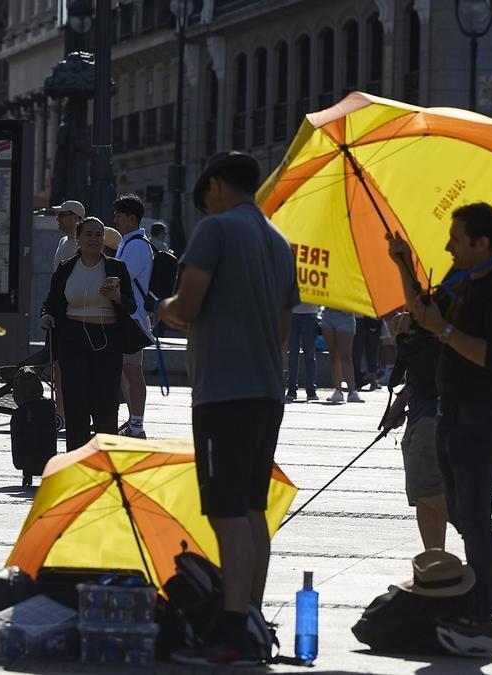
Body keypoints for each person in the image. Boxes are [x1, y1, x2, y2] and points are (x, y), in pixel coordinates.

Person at [159, 152, 298, 666]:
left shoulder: (215, 230)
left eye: (206, 196)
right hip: (266, 390)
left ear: (216, 185)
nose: (206, 205)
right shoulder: (279, 242)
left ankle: (234, 630)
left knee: (225, 511)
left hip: (223, 390)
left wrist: (164, 308)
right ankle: (253, 616)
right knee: (252, 508)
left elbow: (188, 306)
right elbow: (282, 329)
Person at [387, 202, 492, 657]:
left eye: (457, 238)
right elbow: (421, 310)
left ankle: (488, 612)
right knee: (462, 512)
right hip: (451, 412)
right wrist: (403, 263)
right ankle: (478, 594)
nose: (448, 246)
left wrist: (443, 331)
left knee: (475, 516)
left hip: (482, 416)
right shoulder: (458, 280)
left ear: (482, 243)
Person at [41, 216, 137, 451]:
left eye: (98, 235)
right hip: (72, 338)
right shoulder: (66, 268)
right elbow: (51, 302)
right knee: (76, 402)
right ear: (78, 238)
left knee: (106, 403)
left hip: (107, 338)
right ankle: (77, 458)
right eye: (88, 234)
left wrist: (117, 297)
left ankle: (105, 459)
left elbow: (131, 306)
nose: (94, 239)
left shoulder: (116, 268)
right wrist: (47, 315)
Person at [381, 312, 447, 552]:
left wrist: (419, 324)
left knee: (428, 492)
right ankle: (435, 560)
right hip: (420, 414)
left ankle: (478, 533)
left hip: (435, 417)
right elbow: (418, 373)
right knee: (424, 495)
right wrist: (399, 405)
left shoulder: (442, 311)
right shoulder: (418, 323)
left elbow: (433, 367)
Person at [112, 193, 153, 440]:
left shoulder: (136, 246)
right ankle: (133, 421)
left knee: (132, 370)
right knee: (126, 370)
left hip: (132, 317)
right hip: (128, 316)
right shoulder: (128, 243)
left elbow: (120, 278)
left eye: (119, 215)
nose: (115, 219)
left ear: (132, 217)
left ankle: (137, 425)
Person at [49, 199, 86, 420]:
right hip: (59, 312)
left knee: (72, 367)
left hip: (74, 314)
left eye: (62, 215)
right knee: (58, 366)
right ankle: (61, 411)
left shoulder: (81, 247)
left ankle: (72, 411)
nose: (58, 218)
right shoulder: (63, 241)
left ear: (75, 219)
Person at [322, 308, 363, 403]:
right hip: (328, 313)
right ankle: (338, 391)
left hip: (345, 314)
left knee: (345, 356)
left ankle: (352, 391)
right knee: (334, 356)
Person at [286, 303, 321, 401]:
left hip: (308, 313)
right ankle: (294, 389)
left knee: (305, 354)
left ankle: (309, 390)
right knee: (296, 353)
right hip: (296, 313)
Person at [353, 315, 382, 390]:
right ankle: (356, 379)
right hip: (358, 317)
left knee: (372, 350)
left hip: (373, 317)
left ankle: (373, 380)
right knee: (357, 351)